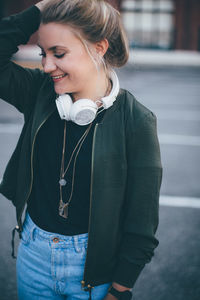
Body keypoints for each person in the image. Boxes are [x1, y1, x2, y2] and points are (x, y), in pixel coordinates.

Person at [0, 0, 162, 299]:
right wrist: (41, 8)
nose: (47, 66)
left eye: (58, 53)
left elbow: (142, 220)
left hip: (95, 272)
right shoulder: (39, 93)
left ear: (98, 48)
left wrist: (120, 288)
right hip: (33, 257)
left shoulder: (136, 121)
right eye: (43, 54)